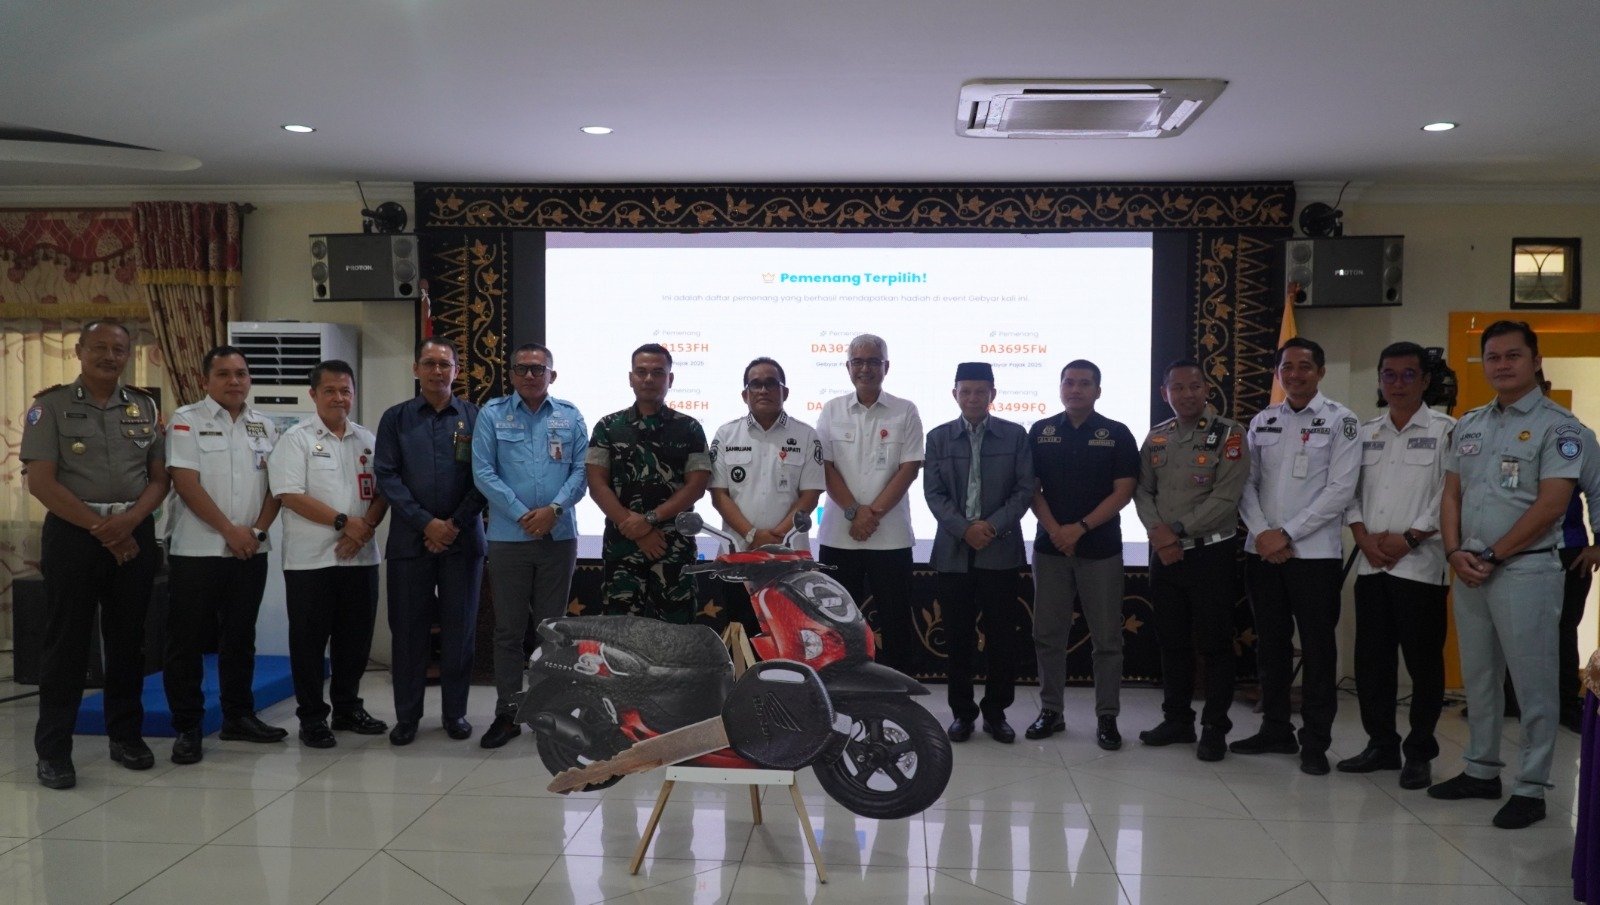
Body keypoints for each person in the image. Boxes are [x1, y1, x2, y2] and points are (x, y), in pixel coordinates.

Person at [1431, 320, 1582, 829]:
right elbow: (1451, 494)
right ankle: (1480, 770)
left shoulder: (1560, 428)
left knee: (1534, 684)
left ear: (1535, 361)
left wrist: (1493, 555)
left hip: (1525, 569)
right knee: (1480, 678)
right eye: (1493, 357)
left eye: (1513, 356)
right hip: (1470, 568)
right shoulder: (1470, 424)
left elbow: (1552, 504)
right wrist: (1454, 551)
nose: (1502, 365)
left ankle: (1532, 786)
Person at [21, 321, 167, 789]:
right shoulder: (49, 407)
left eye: (118, 349)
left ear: (128, 354)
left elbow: (159, 479)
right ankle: (54, 752)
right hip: (74, 535)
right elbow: (41, 482)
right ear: (79, 351)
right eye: (99, 347)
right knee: (66, 643)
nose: (109, 356)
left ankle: (126, 737)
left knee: (129, 641)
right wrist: (104, 529)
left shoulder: (144, 406)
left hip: (133, 531)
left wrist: (129, 523)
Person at [1235, 336, 1360, 775]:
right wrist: (1263, 534)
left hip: (1314, 556)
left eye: (1304, 366)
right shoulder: (1263, 420)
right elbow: (1245, 484)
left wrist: (1285, 533)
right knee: (1270, 646)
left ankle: (1315, 742)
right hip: (1263, 553)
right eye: (1286, 367)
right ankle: (1275, 729)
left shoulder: (1342, 421)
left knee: (1318, 650)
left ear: (1320, 372)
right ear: (1277, 373)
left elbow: (1341, 490)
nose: (1295, 374)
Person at [1338, 341, 1455, 790]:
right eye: (1389, 374)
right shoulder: (1366, 432)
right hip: (1371, 565)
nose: (1398, 383)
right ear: (1380, 380)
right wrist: (1362, 537)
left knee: (1423, 665)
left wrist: (1410, 538)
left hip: (1420, 567)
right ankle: (1381, 745)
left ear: (1425, 380)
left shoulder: (1447, 430)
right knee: (1372, 663)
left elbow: (1449, 494)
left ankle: (1419, 752)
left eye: (1409, 375)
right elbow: (1348, 491)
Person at [162, 344, 287, 765]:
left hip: (250, 550)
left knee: (240, 638)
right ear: (205, 380)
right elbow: (185, 483)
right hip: (197, 551)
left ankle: (238, 716)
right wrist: (229, 531)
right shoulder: (186, 420)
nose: (234, 381)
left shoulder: (265, 426)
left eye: (241, 373)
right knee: (186, 642)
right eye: (224, 374)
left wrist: (257, 531)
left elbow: (276, 488)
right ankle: (188, 727)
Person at [268, 359, 390, 748]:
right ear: (313, 394)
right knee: (308, 643)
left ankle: (348, 708)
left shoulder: (367, 439)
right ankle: (312, 718)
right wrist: (344, 522)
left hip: (360, 556)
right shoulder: (296, 439)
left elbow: (384, 490)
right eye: (330, 391)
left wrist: (363, 527)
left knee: (354, 641)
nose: (339, 398)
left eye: (345, 391)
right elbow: (289, 494)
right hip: (311, 562)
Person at [473, 343, 587, 748]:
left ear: (552, 375)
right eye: (522, 368)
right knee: (508, 630)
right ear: (511, 374)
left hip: (558, 536)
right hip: (509, 538)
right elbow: (482, 472)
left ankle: (548, 712)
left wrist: (553, 510)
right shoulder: (492, 415)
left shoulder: (570, 415)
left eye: (539, 369)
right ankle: (507, 713)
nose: (530, 375)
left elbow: (581, 472)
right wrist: (524, 514)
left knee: (553, 631)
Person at [1133, 359, 1248, 761]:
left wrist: (1176, 531)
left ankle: (1215, 727)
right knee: (1172, 642)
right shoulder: (1157, 437)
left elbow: (1226, 498)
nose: (1186, 394)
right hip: (1165, 555)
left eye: (1194, 387)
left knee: (1215, 644)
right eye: (1177, 388)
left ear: (1206, 390)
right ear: (1165, 393)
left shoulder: (1229, 434)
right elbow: (1142, 491)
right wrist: (1159, 534)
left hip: (1210, 553)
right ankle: (1177, 720)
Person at [374, 338, 487, 746]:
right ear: (415, 369)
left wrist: (452, 524)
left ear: (457, 370)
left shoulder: (476, 418)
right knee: (407, 633)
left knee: (460, 632)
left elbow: (485, 477)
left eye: (445, 364)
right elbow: (387, 476)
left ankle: (455, 714)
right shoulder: (395, 419)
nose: (437, 371)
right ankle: (407, 717)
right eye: (429, 363)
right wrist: (427, 524)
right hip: (410, 542)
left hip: (463, 541)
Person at [1028, 359, 1139, 750]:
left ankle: (1107, 717)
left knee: (1107, 639)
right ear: (1060, 387)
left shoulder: (1117, 433)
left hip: (1100, 550)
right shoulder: (1040, 431)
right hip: (1050, 549)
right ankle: (1051, 711)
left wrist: (1080, 528)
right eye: (1069, 382)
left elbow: (1123, 491)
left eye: (1084, 383)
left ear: (1098, 391)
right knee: (1048, 635)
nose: (1075, 389)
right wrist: (1057, 531)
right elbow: (1031, 489)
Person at [923, 362, 1033, 744]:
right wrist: (964, 528)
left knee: (1002, 637)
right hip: (953, 552)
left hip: (999, 550)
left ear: (992, 395)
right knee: (958, 638)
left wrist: (991, 526)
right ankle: (962, 713)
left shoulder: (1014, 435)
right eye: (965, 391)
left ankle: (996, 713)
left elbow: (1024, 490)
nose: (973, 398)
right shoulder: (938, 437)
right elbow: (933, 493)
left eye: (980, 391)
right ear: (955, 394)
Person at [815, 334, 925, 666]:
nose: (865, 369)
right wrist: (854, 512)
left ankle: (899, 692)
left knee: (896, 623)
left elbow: (910, 468)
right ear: (848, 367)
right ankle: (839, 690)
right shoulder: (832, 409)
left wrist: (870, 515)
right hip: (839, 537)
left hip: (890, 538)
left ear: (886, 367)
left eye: (873, 361)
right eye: (858, 362)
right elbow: (825, 467)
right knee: (835, 627)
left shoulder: (905, 410)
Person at [586, 343, 711, 622]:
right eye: (641, 372)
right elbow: (596, 484)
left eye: (657, 372)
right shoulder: (608, 427)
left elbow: (696, 486)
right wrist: (636, 529)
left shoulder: (690, 428)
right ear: (631, 378)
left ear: (670, 379)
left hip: (672, 548)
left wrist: (650, 519)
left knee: (677, 635)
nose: (649, 379)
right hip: (623, 548)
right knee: (620, 636)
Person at [709, 357, 825, 634]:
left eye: (771, 383)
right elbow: (719, 495)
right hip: (738, 556)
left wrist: (775, 538)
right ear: (745, 394)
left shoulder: (806, 435)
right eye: (756, 384)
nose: (763, 390)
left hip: (790, 557)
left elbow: (810, 495)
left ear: (785, 392)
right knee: (742, 635)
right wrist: (751, 535)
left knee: (792, 636)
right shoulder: (726, 434)